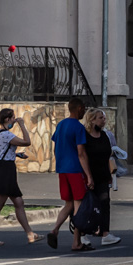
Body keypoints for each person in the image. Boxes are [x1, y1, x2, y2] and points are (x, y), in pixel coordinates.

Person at [0, 108, 44, 245]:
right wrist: (22, 125)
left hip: (7, 170)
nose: (14, 121)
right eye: (13, 118)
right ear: (7, 119)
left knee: (19, 203)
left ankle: (30, 234)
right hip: (5, 172)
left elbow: (2, 152)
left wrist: (17, 155)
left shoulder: (0, 133)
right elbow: (27, 141)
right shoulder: (6, 135)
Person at [47, 97, 92, 251]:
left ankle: (55, 229)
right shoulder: (78, 127)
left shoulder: (60, 125)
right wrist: (89, 176)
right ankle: (76, 242)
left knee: (68, 204)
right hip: (75, 170)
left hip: (62, 169)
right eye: (84, 108)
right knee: (78, 205)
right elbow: (81, 154)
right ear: (79, 108)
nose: (84, 111)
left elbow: (56, 147)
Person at [83, 108, 121, 246]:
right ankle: (83, 234)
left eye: (104, 118)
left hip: (103, 175)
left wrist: (110, 174)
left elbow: (108, 155)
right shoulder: (85, 136)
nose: (103, 121)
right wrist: (88, 176)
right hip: (89, 175)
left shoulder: (104, 135)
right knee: (88, 205)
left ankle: (105, 233)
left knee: (104, 203)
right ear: (92, 120)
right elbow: (83, 156)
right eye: (100, 118)